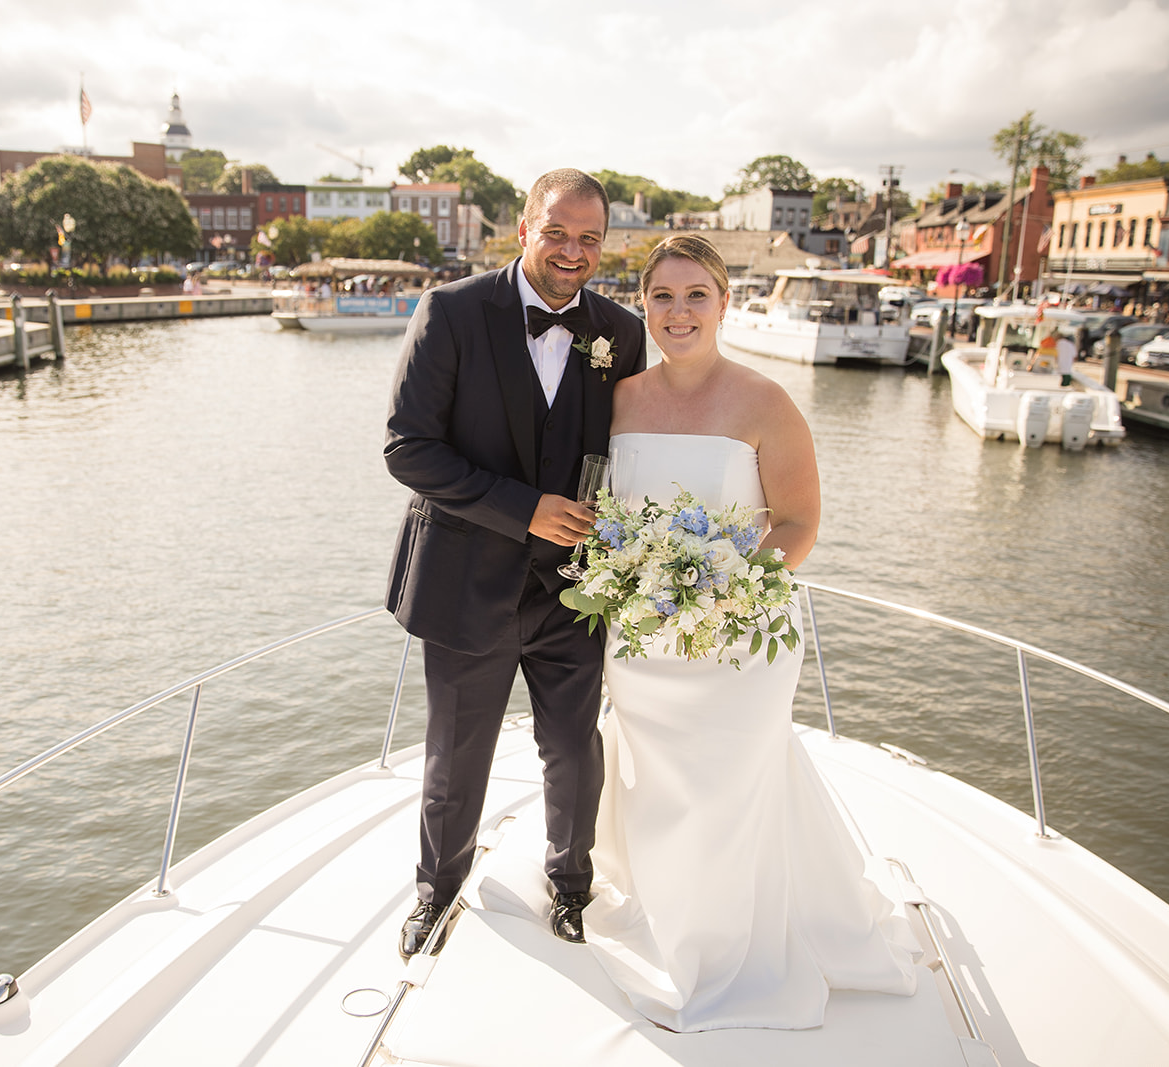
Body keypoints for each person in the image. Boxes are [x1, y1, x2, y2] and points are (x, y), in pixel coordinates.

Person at [581, 233, 917, 1031]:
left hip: (739, 633)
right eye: (663, 296)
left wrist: (724, 589)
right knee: (657, 782)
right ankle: (666, 911)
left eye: (697, 294)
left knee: (728, 781)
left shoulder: (767, 401)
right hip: (641, 635)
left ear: (726, 303)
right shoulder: (619, 399)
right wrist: (634, 576)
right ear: (644, 306)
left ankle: (726, 941)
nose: (679, 311)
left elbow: (799, 522)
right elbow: (604, 508)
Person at [384, 169, 647, 960]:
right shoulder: (454, 311)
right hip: (466, 583)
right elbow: (408, 448)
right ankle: (437, 892)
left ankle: (571, 889)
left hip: (574, 588)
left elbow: (623, 449)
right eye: (557, 232)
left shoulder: (622, 332)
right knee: (456, 754)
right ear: (524, 227)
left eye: (590, 238)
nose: (573, 251)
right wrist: (524, 507)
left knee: (574, 748)